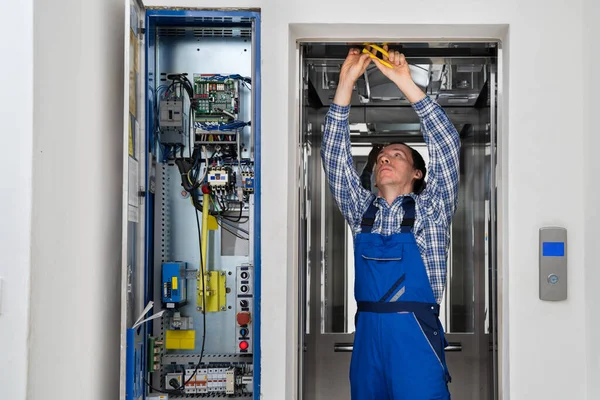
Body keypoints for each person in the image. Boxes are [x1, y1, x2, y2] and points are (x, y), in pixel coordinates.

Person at [321, 45, 460, 400]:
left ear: (417, 172)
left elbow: (446, 145)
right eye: (382, 155)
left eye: (397, 155)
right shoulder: (360, 210)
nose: (386, 158)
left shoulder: (433, 208)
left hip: (415, 342)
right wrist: (346, 82)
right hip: (368, 343)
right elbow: (334, 156)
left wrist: (406, 83)